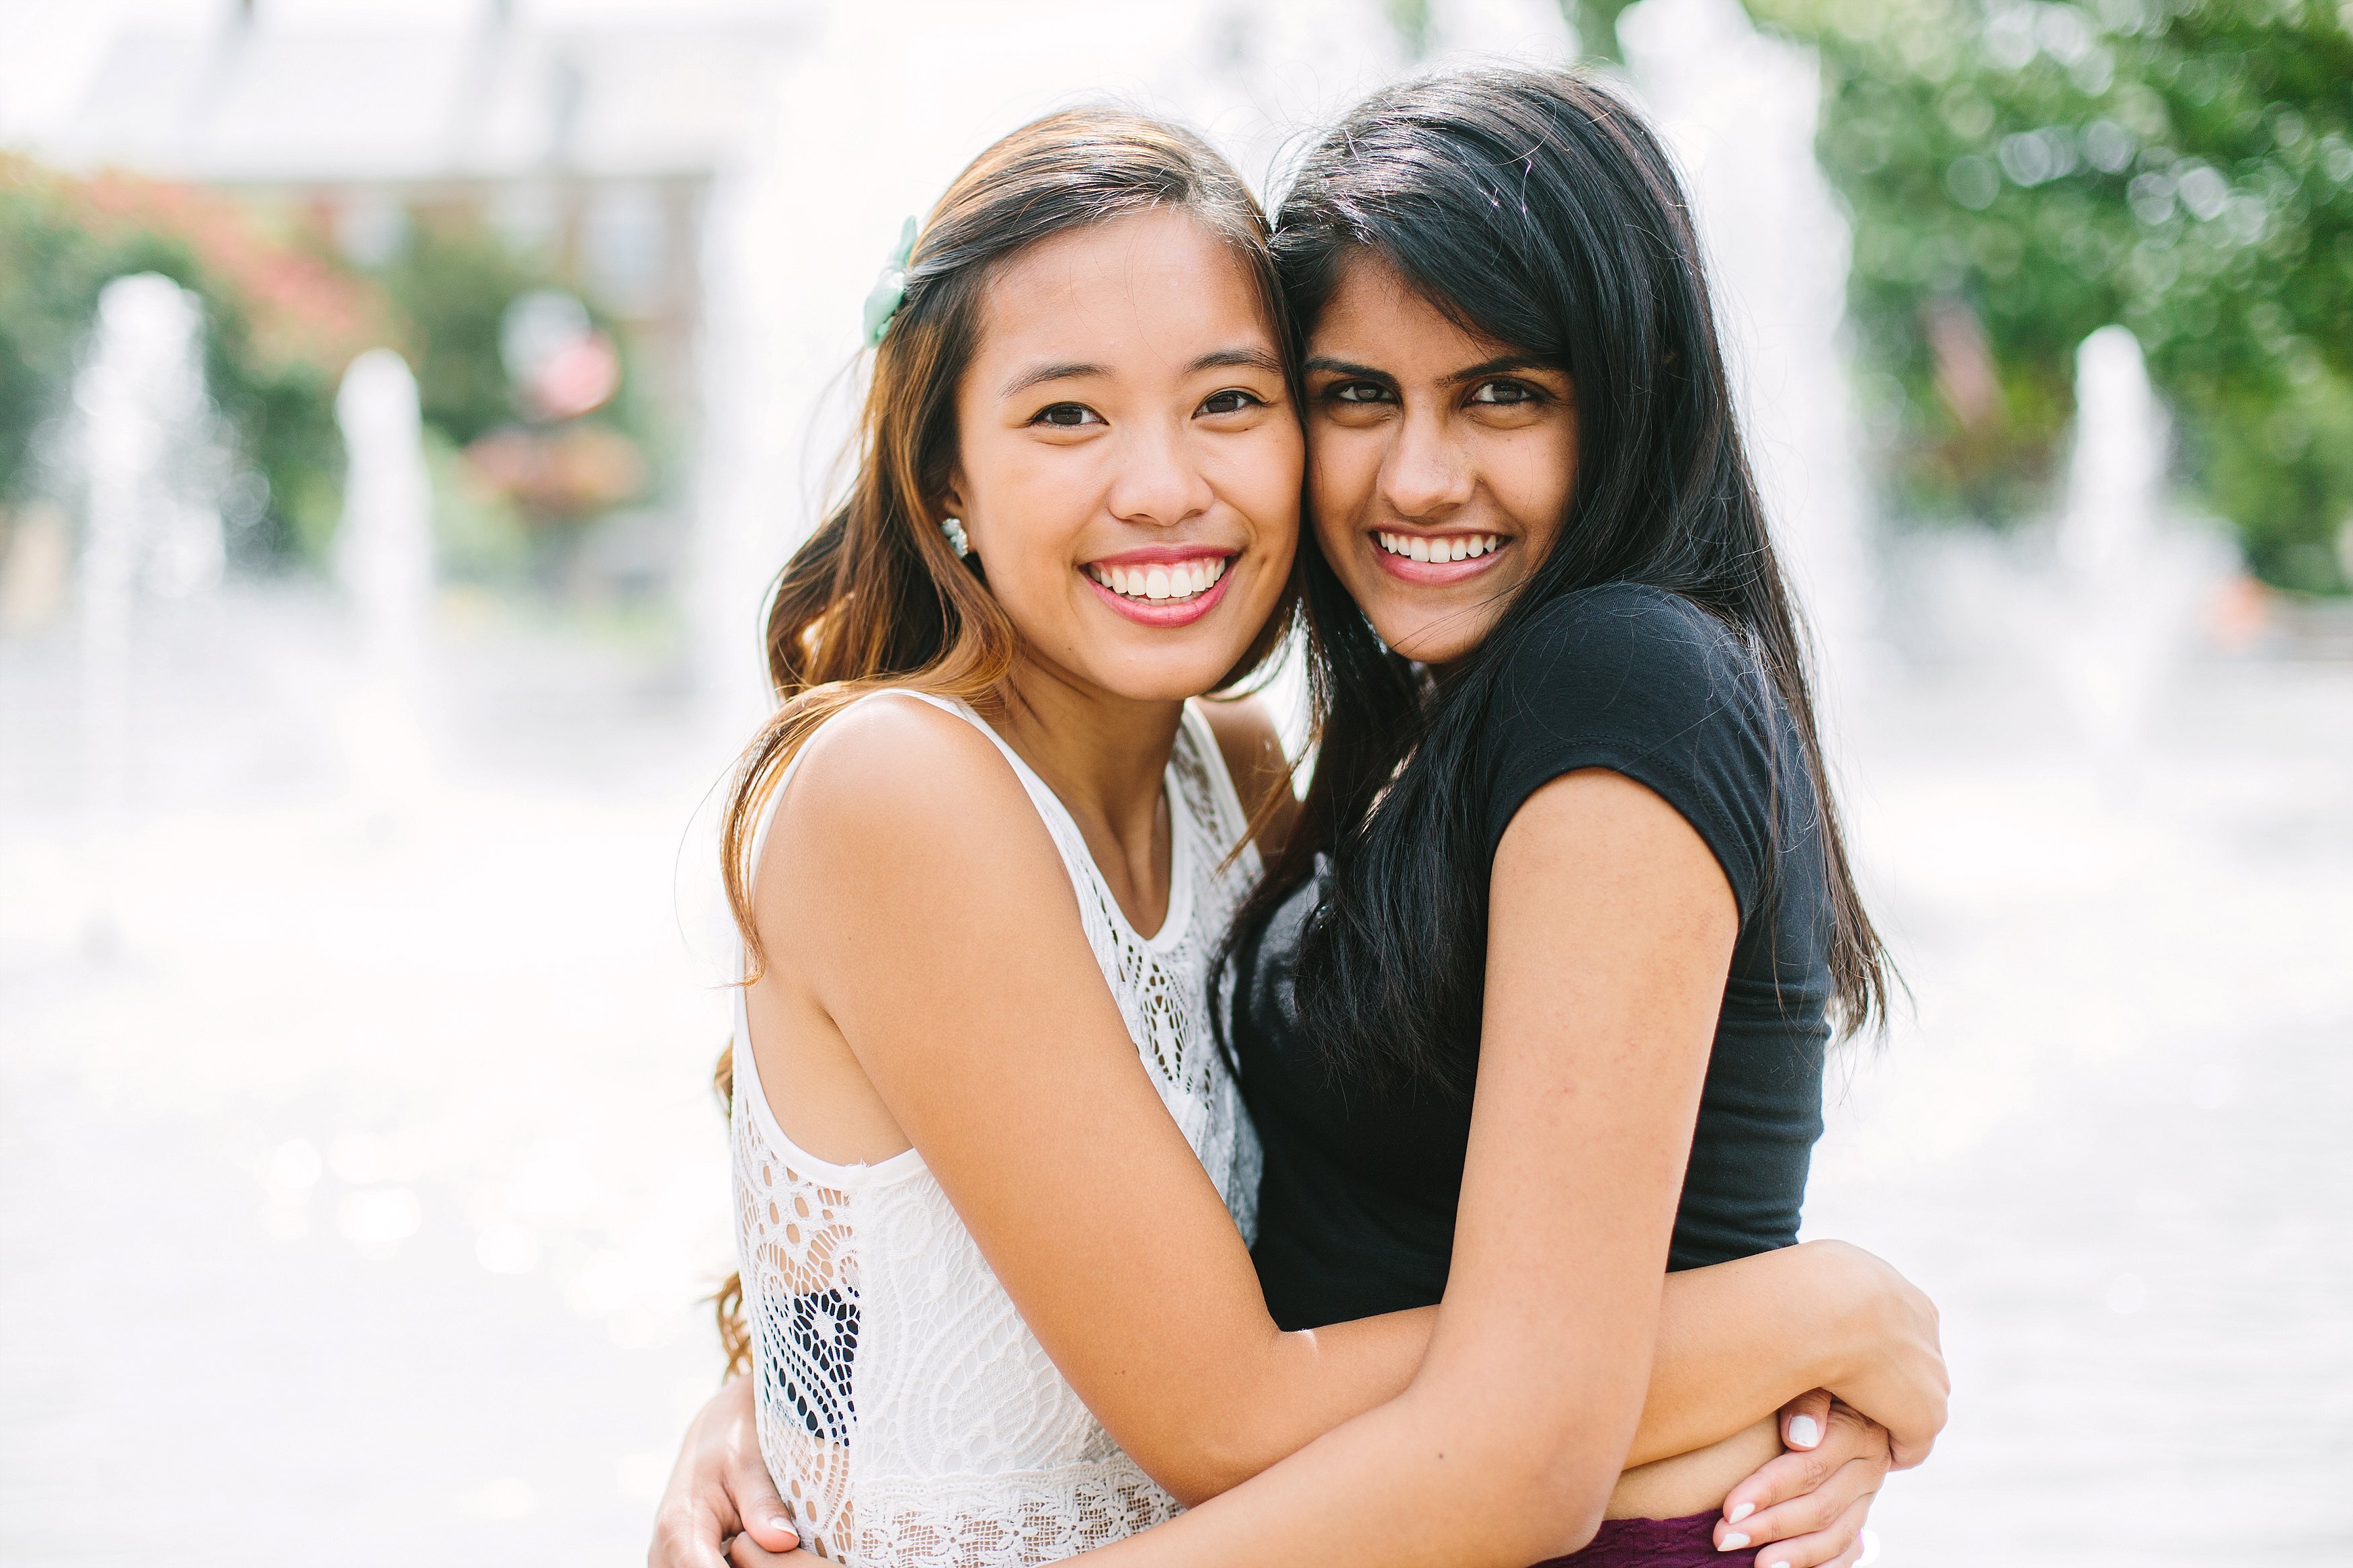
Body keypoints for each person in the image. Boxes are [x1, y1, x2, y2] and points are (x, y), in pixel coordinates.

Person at [656, 80, 1944, 1568]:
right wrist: (1797, 1317)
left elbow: (1370, 1375)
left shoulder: (1247, 772)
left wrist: (1726, 1355)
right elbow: (1222, 1388)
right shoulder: (910, 783)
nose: (1162, 487)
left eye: (1228, 401)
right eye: (1067, 413)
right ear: (942, 469)